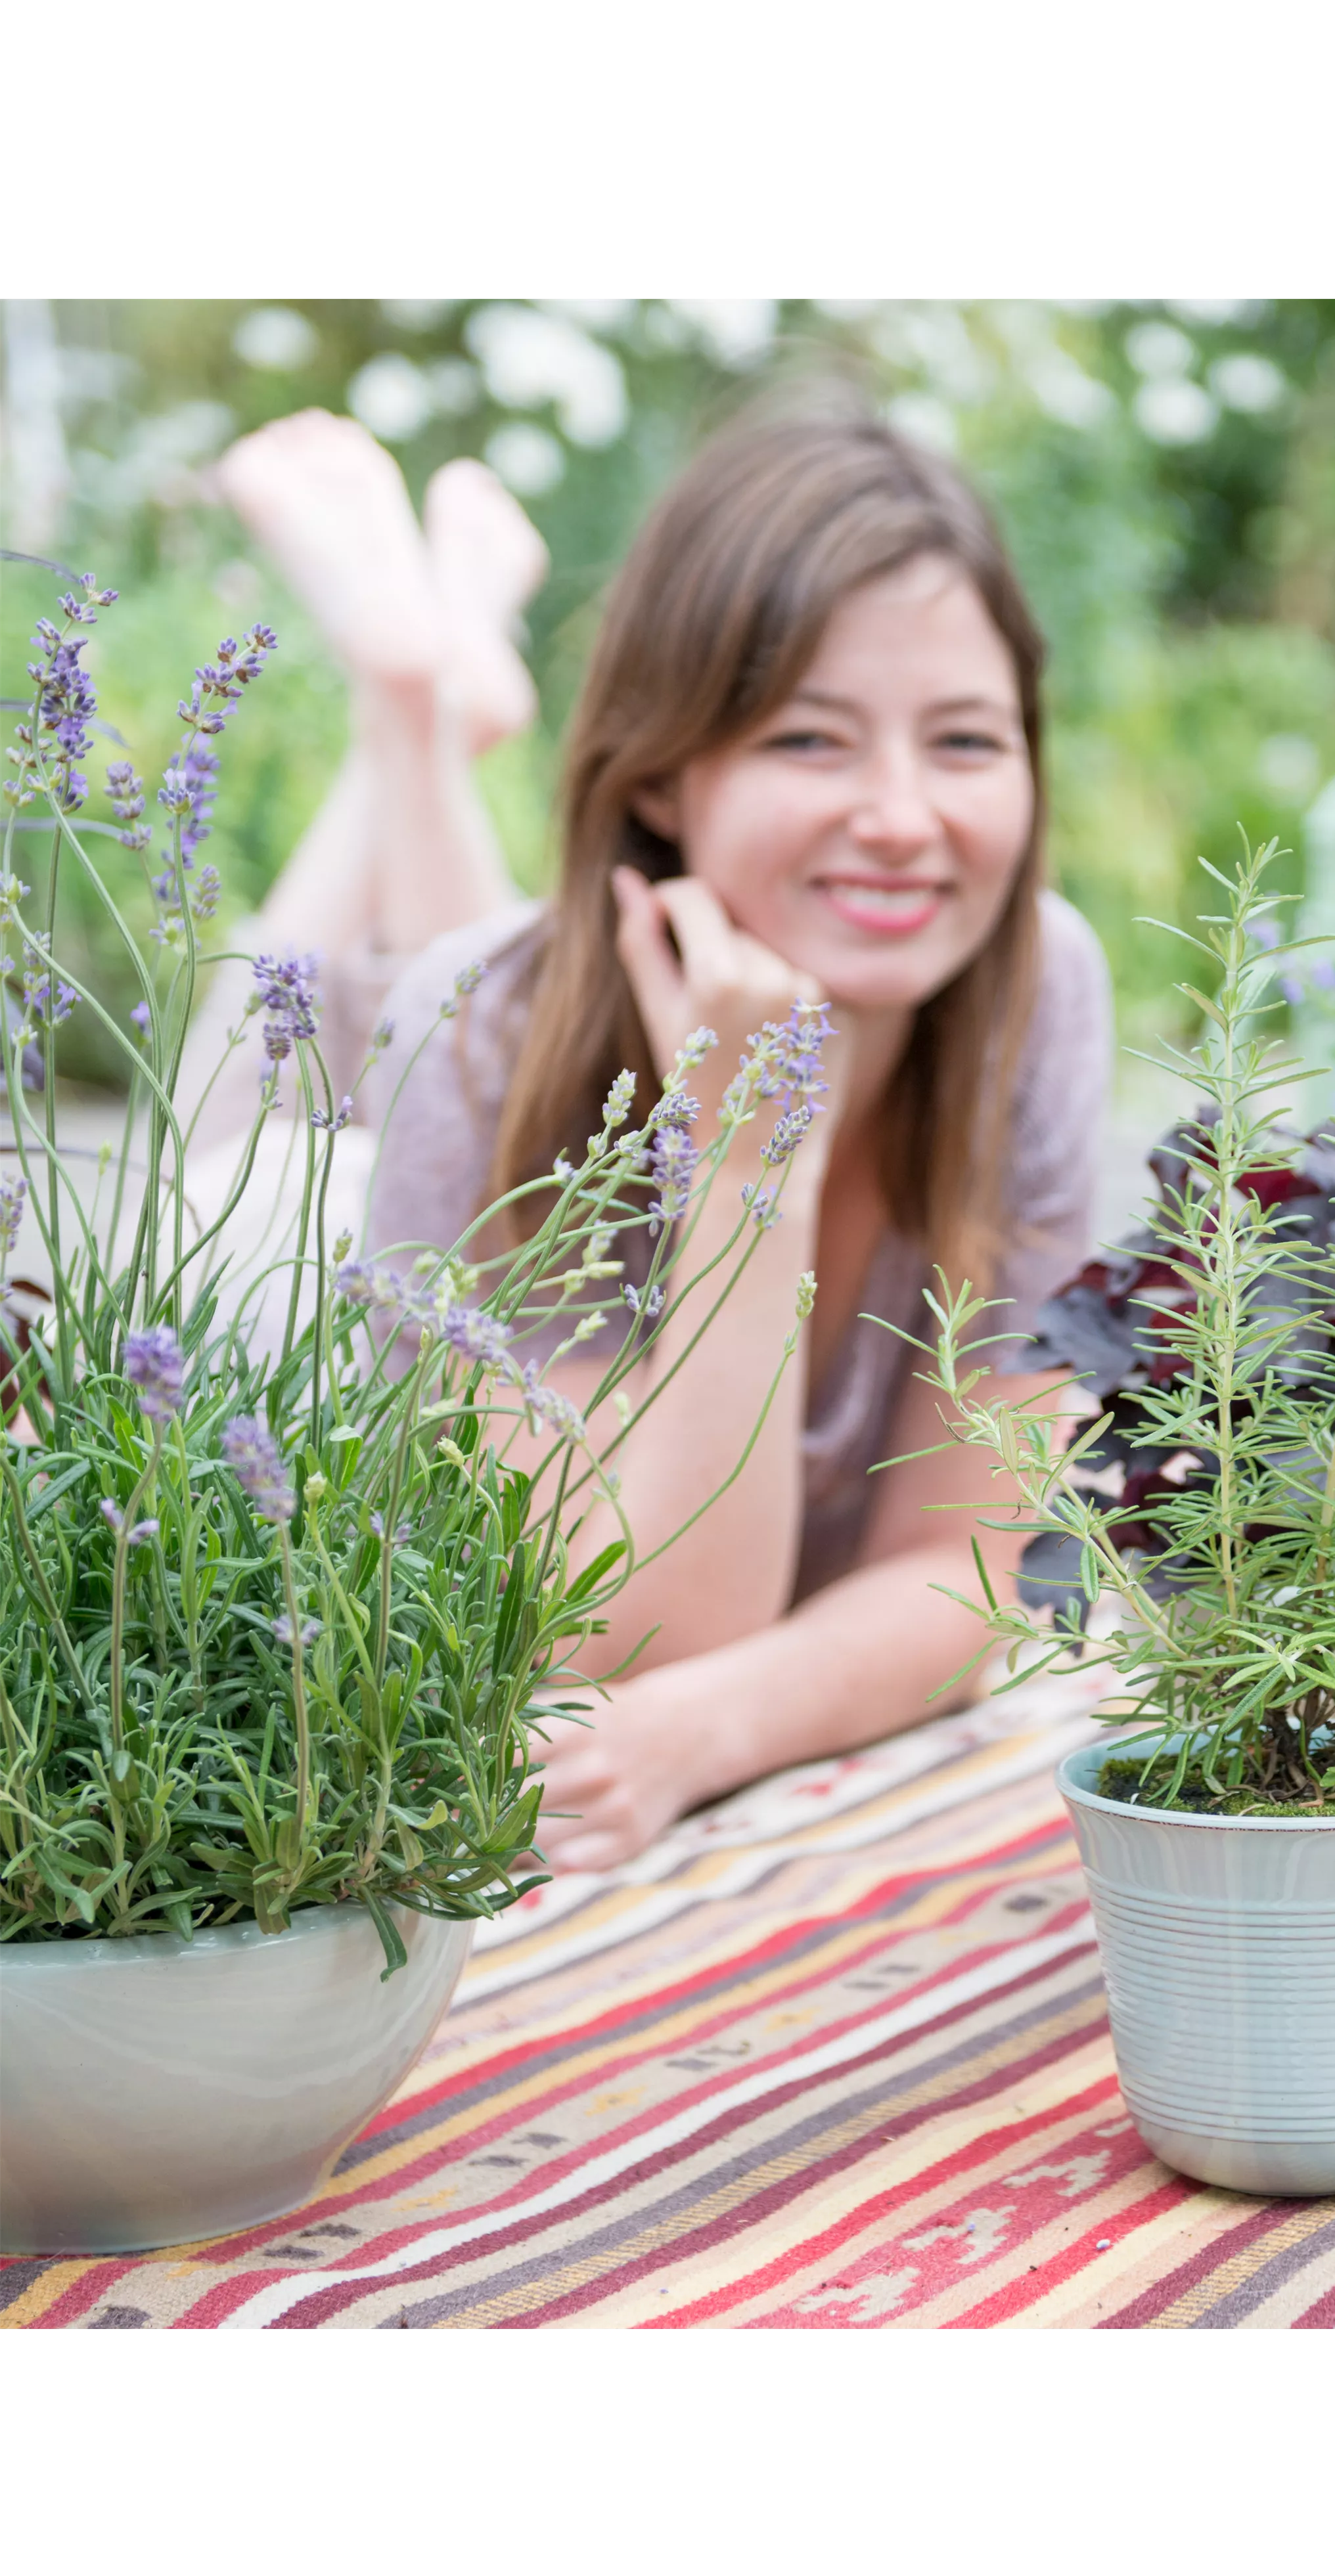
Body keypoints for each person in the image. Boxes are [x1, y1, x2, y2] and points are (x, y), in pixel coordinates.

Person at [218, 403, 1110, 1871]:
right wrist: (755, 1146)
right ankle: (407, 696)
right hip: (270, 1263)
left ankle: (426, 702)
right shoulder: (486, 1036)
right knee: (301, 1067)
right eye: (811, 737)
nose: (902, 817)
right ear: (657, 772)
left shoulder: (1031, 987)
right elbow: (628, 1634)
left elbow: (969, 1568)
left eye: (965, 740)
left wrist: (706, 1730)